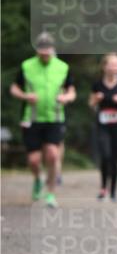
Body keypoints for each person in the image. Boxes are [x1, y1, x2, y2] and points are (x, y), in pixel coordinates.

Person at [9, 32, 76, 208]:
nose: (45, 53)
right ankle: (38, 177)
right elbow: (14, 89)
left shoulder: (62, 67)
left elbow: (71, 91)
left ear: (53, 49)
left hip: (55, 118)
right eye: (42, 50)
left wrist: (66, 98)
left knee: (53, 155)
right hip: (31, 118)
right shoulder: (27, 66)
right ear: (37, 50)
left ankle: (51, 194)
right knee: (33, 160)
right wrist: (25, 95)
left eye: (48, 50)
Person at [89, 53, 117, 202]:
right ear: (104, 66)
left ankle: (113, 191)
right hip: (102, 126)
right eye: (112, 64)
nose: (115, 67)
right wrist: (96, 99)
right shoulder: (97, 84)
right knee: (105, 155)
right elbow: (91, 104)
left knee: (114, 158)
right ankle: (103, 188)